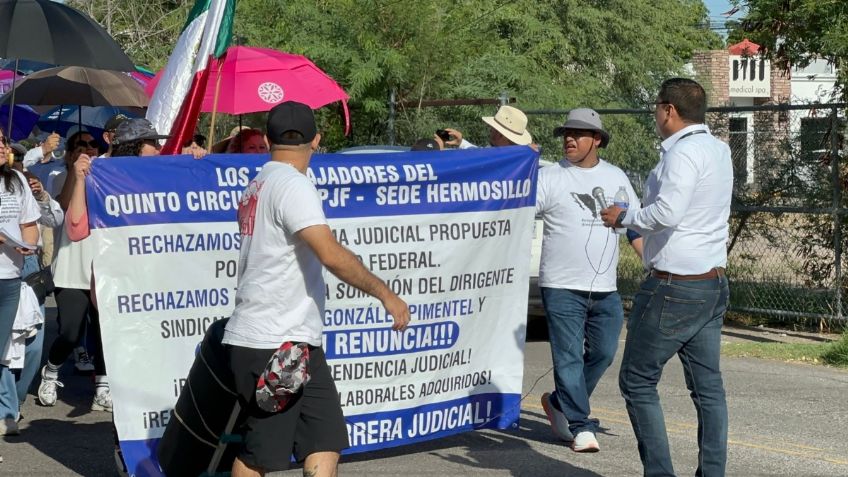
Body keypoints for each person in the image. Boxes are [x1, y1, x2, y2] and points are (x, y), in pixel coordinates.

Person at [223, 101, 410, 477]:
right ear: (317, 140)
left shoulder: (260, 182)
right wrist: (386, 293)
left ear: (268, 139)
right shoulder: (292, 184)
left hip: (297, 343)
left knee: (325, 440)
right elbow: (329, 253)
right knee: (261, 454)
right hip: (272, 342)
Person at [600, 78, 732, 477]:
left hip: (675, 286)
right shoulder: (719, 149)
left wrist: (625, 218)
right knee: (708, 390)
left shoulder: (682, 153)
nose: (655, 115)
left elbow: (667, 214)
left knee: (637, 381)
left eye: (657, 107)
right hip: (711, 283)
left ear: (669, 110)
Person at [535, 108, 639, 453]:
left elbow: (632, 225)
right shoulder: (550, 177)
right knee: (568, 358)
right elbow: (517, 210)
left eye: (578, 134)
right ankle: (580, 425)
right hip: (561, 285)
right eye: (566, 132)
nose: (569, 138)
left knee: (605, 353)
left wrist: (651, 262)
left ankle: (561, 404)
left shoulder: (616, 177)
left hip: (605, 288)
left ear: (596, 140)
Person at [0, 128, 41, 435]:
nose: (2, 146)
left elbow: (29, 224)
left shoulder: (16, 181)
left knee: (3, 350)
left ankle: (5, 411)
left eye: (2, 141)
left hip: (10, 279)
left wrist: (28, 243)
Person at [441, 105, 534, 149]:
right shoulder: (522, 158)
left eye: (493, 128)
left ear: (500, 134)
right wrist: (461, 142)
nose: (490, 130)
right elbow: (480, 153)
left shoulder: (496, 156)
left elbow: (481, 156)